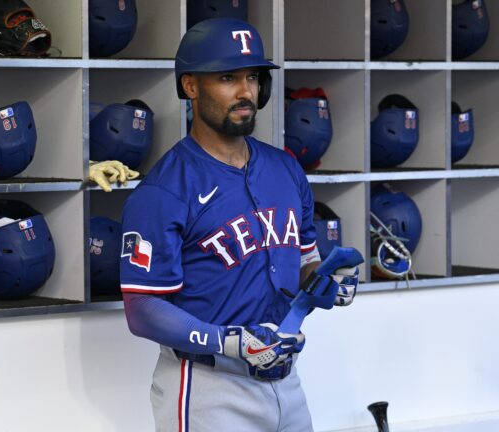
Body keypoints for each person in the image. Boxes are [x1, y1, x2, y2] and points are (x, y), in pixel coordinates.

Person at [119, 18, 358, 431]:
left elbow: (304, 263)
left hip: (287, 381)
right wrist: (226, 340)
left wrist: (325, 279)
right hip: (210, 388)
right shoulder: (164, 190)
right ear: (191, 86)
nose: (245, 91)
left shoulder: (285, 169)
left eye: (253, 77)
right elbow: (141, 309)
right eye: (228, 77)